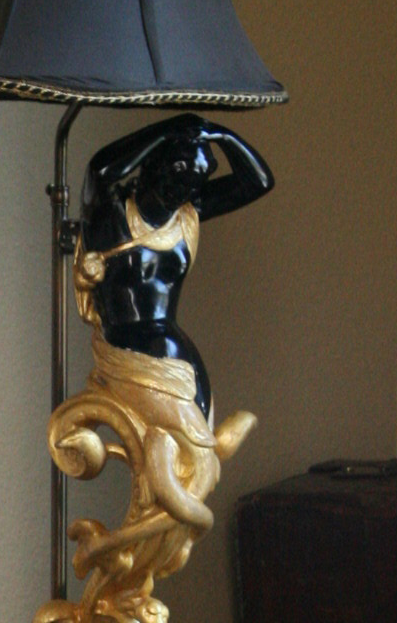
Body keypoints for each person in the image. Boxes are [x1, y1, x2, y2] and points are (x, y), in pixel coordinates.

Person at [73, 114, 272, 423]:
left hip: (176, 350)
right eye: (176, 179)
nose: (181, 193)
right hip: (127, 350)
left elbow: (258, 182)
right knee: (178, 453)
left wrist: (220, 135)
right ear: (153, 168)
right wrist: (167, 131)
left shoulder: (185, 217)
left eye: (191, 186)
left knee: (199, 447)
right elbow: (99, 170)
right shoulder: (111, 216)